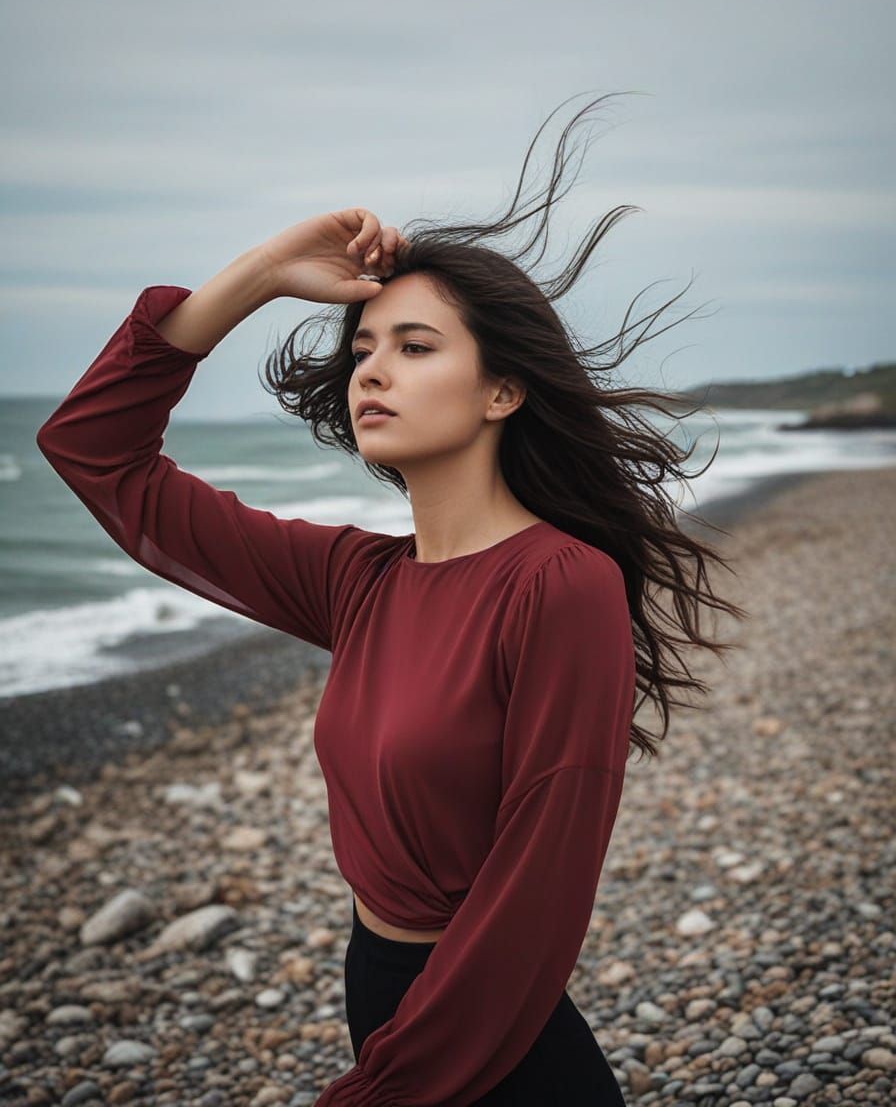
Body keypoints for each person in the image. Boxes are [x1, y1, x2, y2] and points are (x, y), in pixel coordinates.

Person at [36, 92, 745, 1105]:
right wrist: (264, 272)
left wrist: (394, 1080)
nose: (372, 371)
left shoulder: (560, 585)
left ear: (502, 391)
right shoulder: (357, 582)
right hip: (372, 982)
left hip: (487, 1027)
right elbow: (95, 452)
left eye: (415, 348)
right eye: (363, 348)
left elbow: (536, 891)